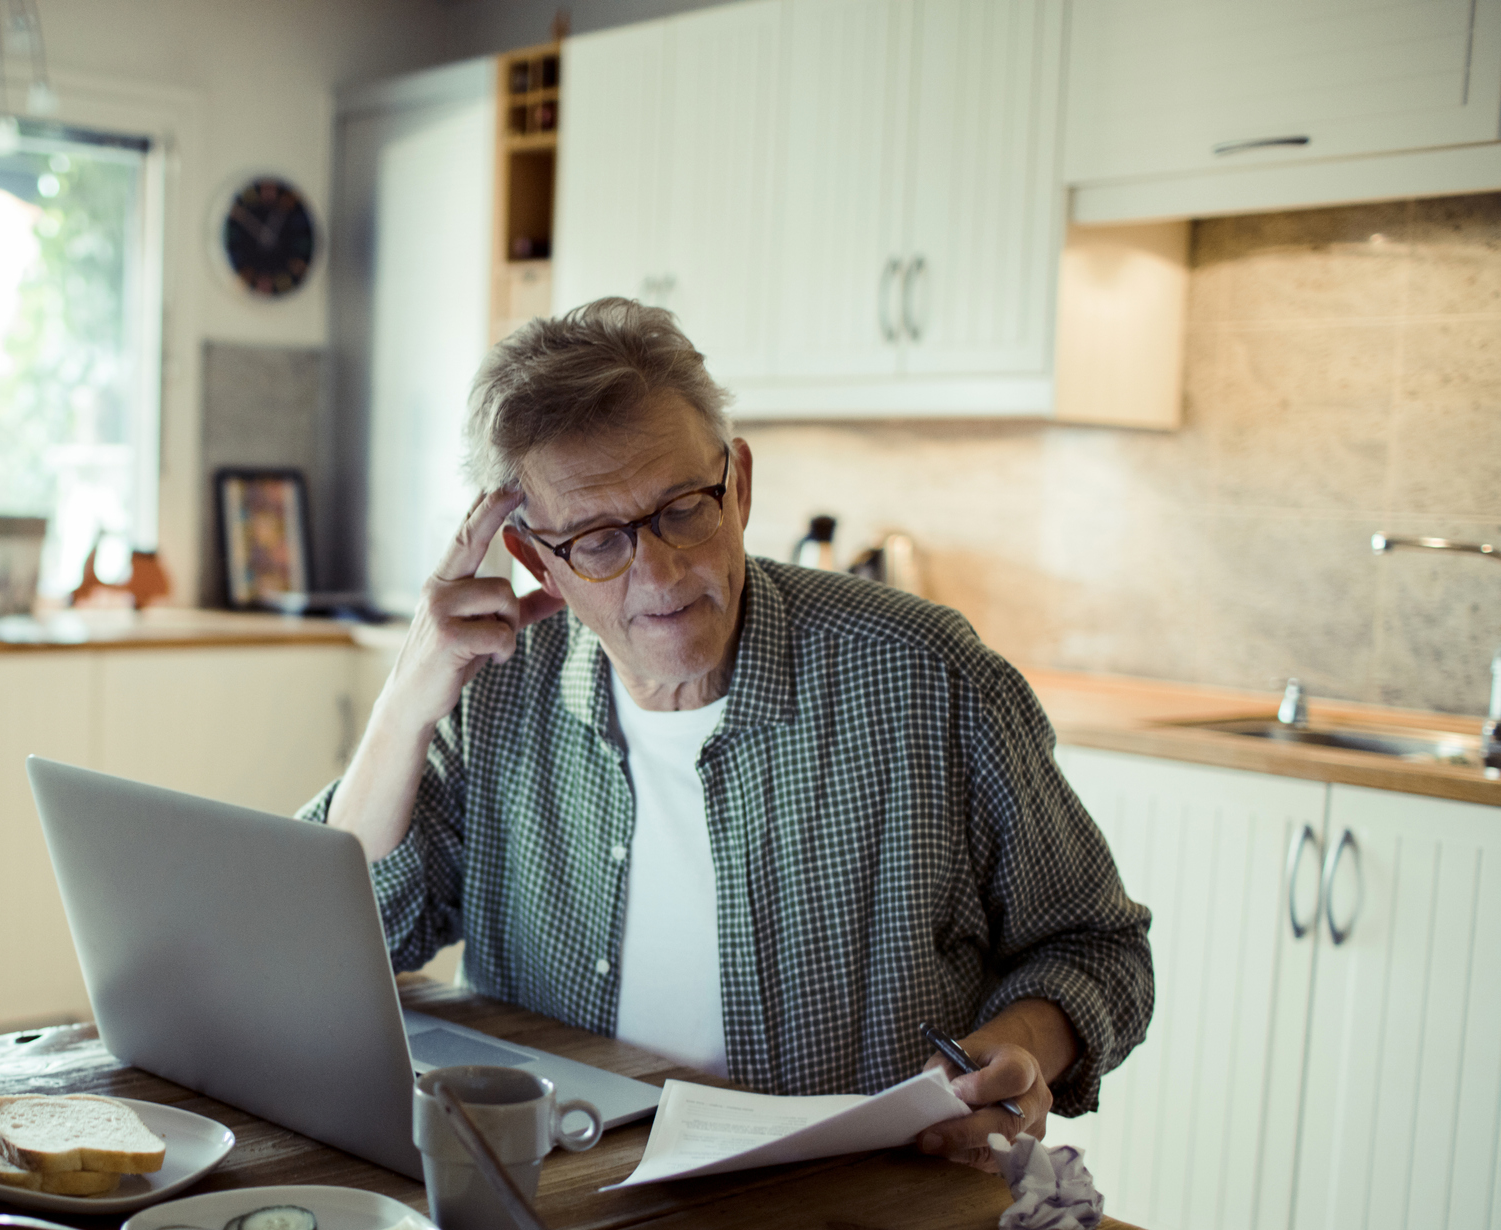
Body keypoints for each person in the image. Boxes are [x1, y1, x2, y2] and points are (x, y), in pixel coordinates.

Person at [301, 298, 1151, 1167]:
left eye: (681, 510)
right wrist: (402, 707)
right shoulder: (495, 690)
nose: (659, 574)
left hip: (860, 1205)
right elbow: (326, 947)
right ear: (534, 559)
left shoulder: (927, 678)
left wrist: (1020, 1050)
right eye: (598, 541)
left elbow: (1097, 947)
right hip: (560, 1198)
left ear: (737, 484)